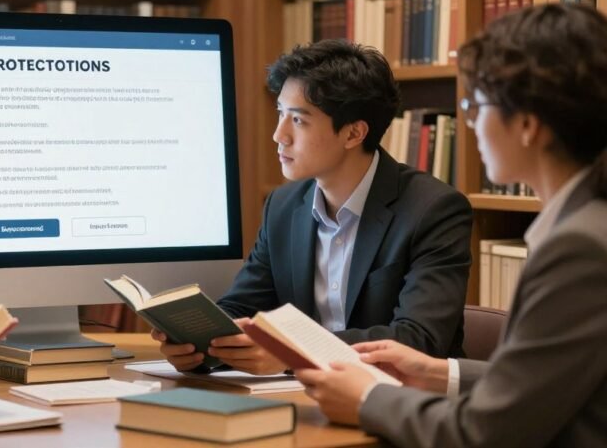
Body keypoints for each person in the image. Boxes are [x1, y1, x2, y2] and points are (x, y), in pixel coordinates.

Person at [295, 3, 607, 447]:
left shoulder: (579, 247)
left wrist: (368, 398)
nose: (470, 122)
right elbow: (548, 382)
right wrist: (443, 373)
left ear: (527, 124)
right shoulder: (588, 225)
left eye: (476, 104)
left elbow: (487, 432)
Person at [155, 39, 473, 374]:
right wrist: (200, 343)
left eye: (298, 120)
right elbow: (242, 306)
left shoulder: (434, 210)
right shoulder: (283, 206)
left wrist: (294, 352)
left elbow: (418, 339)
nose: (279, 135)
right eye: (280, 113)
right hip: (303, 393)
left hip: (396, 397)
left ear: (353, 133)